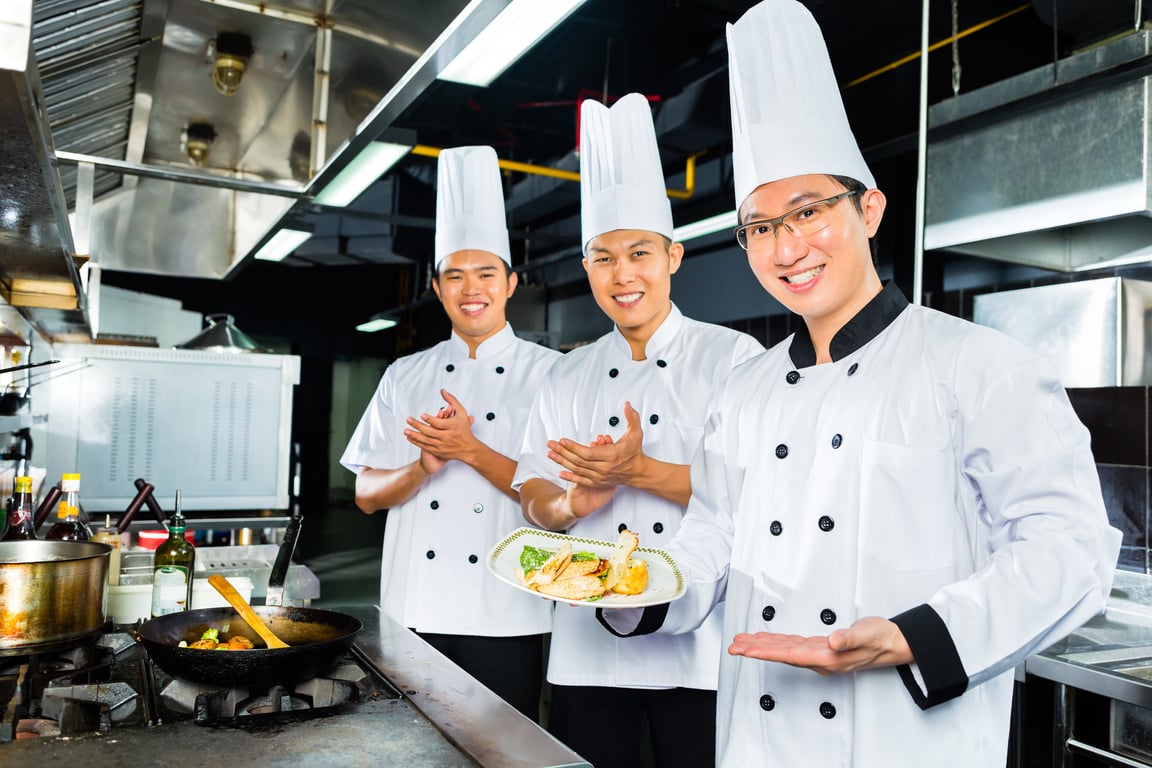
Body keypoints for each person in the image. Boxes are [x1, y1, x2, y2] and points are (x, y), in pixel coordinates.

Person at [597, 2, 1122, 765]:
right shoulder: (742, 392)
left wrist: (918, 634)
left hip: (903, 738)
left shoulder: (978, 365)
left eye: (807, 211)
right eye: (761, 226)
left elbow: (1071, 546)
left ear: (869, 208)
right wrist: (628, 587)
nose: (786, 246)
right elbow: (712, 536)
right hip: (758, 737)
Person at [513, 93, 764, 768]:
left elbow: (757, 494)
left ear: (673, 257)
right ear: (587, 267)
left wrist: (636, 472)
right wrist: (571, 504)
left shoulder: (733, 360)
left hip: (701, 646)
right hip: (585, 651)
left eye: (640, 253)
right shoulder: (566, 377)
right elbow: (531, 492)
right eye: (603, 257)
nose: (623, 274)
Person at [340, 145, 560, 721]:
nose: (471, 288)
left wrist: (468, 449)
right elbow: (365, 496)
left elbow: (562, 504)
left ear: (511, 283)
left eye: (486, 273)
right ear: (436, 289)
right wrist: (422, 468)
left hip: (508, 609)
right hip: (414, 607)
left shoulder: (553, 374)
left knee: (503, 752)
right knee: (413, 749)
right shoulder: (404, 374)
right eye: (454, 276)